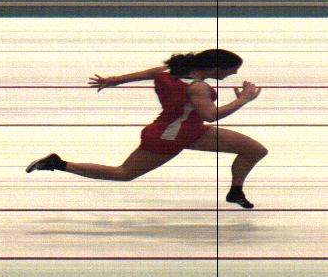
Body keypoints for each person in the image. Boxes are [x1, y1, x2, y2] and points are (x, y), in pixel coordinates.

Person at [27, 49, 266, 209]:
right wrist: (243, 100)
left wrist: (112, 80)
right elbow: (210, 115)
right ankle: (59, 163)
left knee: (255, 150)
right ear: (216, 68)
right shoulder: (198, 88)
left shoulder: (166, 73)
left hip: (190, 130)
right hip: (169, 136)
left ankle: (235, 192)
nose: (235, 73)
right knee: (124, 173)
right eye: (232, 69)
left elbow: (144, 74)